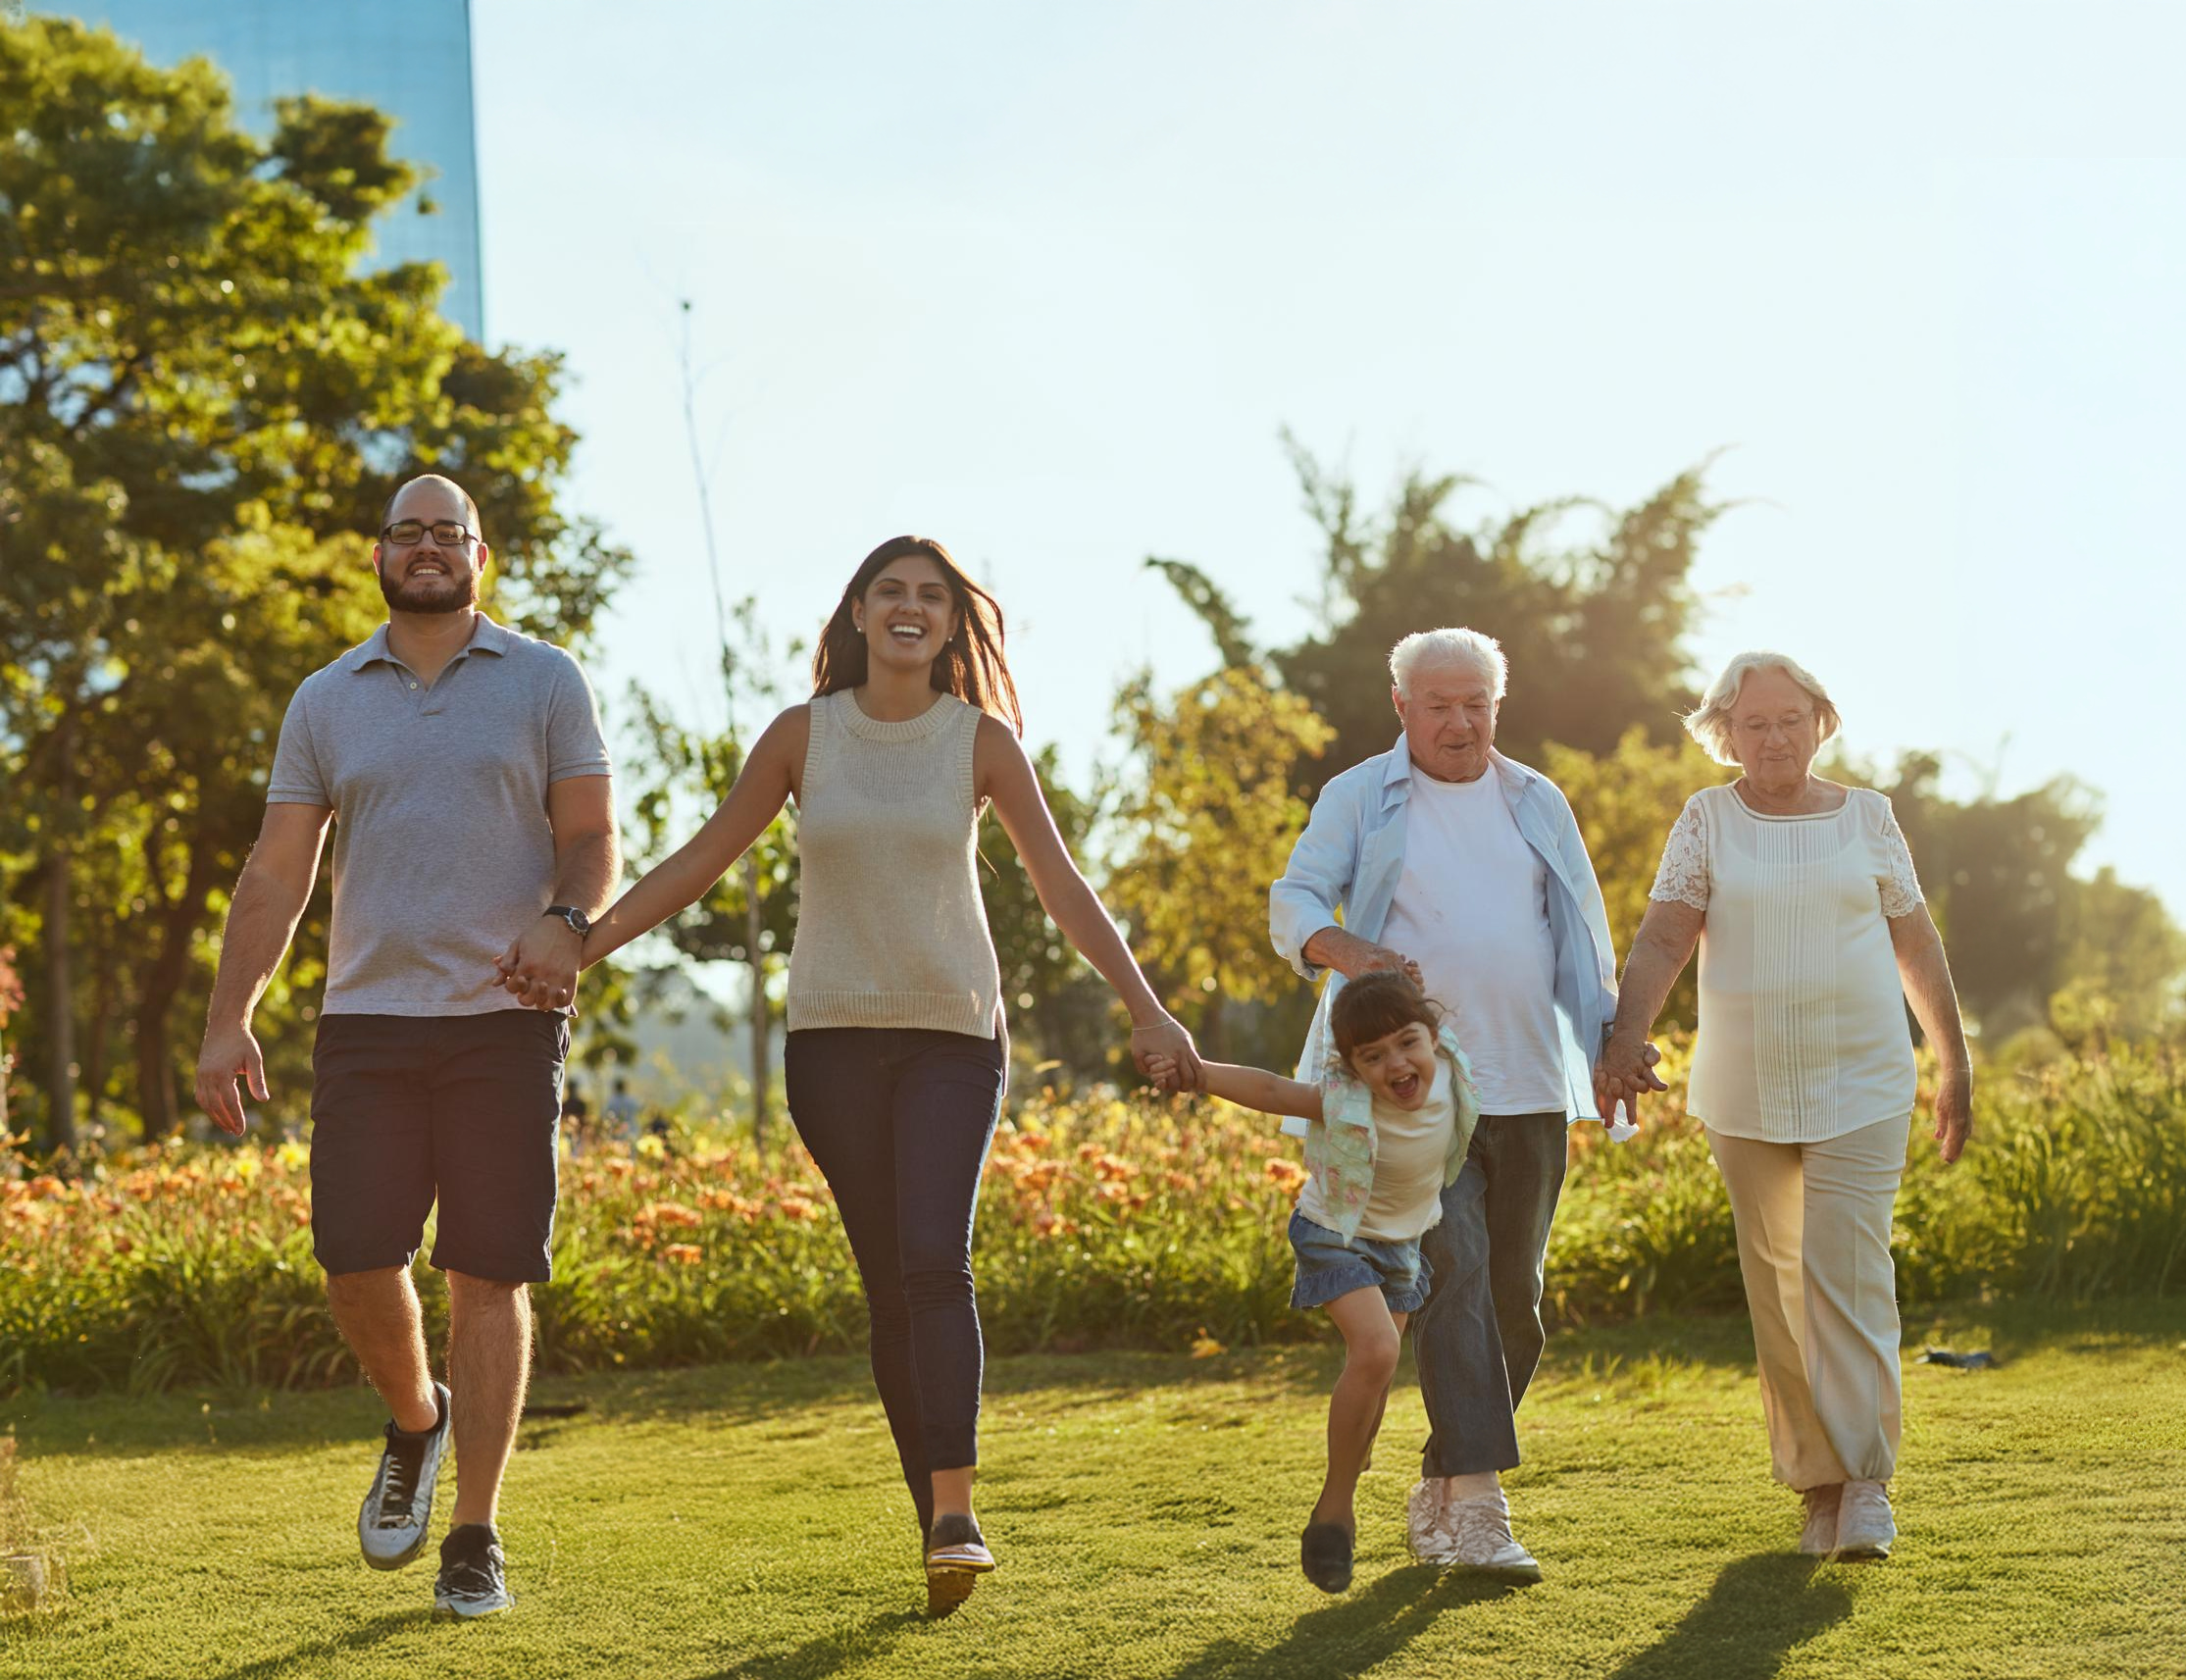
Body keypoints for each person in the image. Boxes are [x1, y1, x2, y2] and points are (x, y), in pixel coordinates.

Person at [525, 535, 1196, 1612]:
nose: (911, 607)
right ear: (856, 611)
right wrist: (581, 944)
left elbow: (1064, 888)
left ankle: (959, 1510)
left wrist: (1147, 1005)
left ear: (951, 624)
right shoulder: (803, 737)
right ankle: (934, 1516)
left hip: (952, 1036)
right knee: (890, 1281)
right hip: (831, 1044)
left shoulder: (983, 744)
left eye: (931, 595)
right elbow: (704, 857)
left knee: (935, 1257)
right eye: (891, 589)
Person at [194, 474, 617, 1620]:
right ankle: (416, 1420)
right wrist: (229, 1016)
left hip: (505, 1018)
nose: (427, 547)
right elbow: (277, 872)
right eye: (407, 531)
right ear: (378, 553)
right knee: (355, 1258)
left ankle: (474, 1532)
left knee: (489, 1270)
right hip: (368, 1019)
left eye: (449, 532)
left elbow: (589, 839)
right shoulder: (327, 697)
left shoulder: (544, 679)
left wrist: (567, 923)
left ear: (483, 555)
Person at [1268, 629, 1659, 1581]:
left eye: (1477, 702)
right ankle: (1482, 1506)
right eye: (1439, 703)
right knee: (1454, 1283)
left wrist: (1611, 1039)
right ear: (1401, 706)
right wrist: (1344, 949)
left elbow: (1583, 936)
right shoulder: (1361, 795)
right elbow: (1295, 896)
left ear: (1499, 703)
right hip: (1415, 1100)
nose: (1460, 720)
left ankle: (1444, 1475)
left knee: (1515, 1303)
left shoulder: (1536, 799)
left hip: (1530, 1081)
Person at [1596, 651, 1973, 1560]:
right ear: (1726, 733)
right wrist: (1621, 1037)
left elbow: (1916, 943)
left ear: (1821, 722)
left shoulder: (1869, 818)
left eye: (1791, 719)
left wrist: (1954, 1061)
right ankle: (1818, 1486)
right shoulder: (1707, 820)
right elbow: (1662, 938)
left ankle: (1868, 1483)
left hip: (1864, 1078)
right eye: (1755, 723)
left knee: (1849, 1275)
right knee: (1777, 1286)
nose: (1775, 737)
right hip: (1745, 1087)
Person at [1166, 971, 1481, 1593]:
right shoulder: (1344, 1097)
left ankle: (1351, 1467)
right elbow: (1270, 1088)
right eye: (1372, 1056)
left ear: (1434, 1038)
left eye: (1406, 1043)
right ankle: (1334, 1513)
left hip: (1404, 1246)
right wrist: (1197, 1072)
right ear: (1352, 1066)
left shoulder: (1452, 1071)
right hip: (1333, 1233)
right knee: (1378, 1350)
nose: (1395, 1063)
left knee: (1375, 1382)